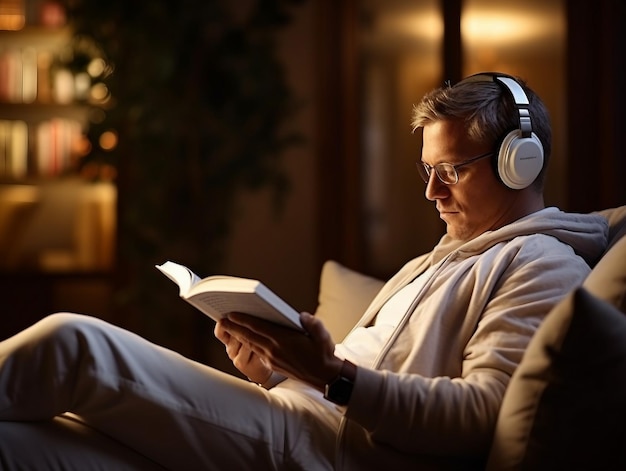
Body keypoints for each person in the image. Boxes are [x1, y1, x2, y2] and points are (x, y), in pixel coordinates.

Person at [0, 72, 608, 470]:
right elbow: (353, 374)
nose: (430, 192)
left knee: (74, 344)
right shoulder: (440, 259)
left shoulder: (540, 264)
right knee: (26, 447)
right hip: (302, 418)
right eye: (426, 170)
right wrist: (274, 369)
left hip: (332, 450)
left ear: (519, 164)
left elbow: (480, 417)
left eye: (449, 171)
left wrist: (334, 378)